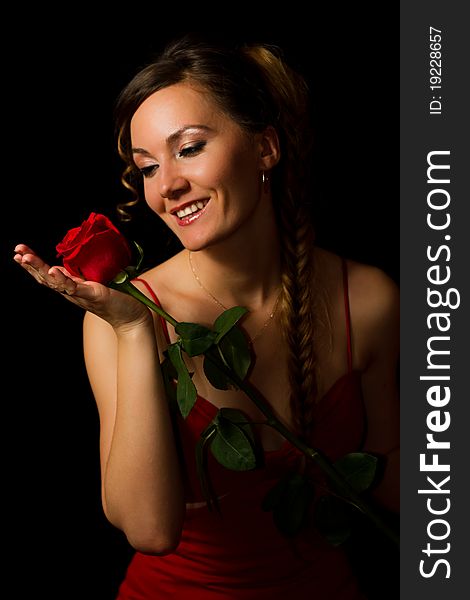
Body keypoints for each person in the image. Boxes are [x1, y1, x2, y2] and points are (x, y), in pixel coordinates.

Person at [14, 34, 399, 599]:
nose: (166, 185)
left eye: (189, 148)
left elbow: (394, 472)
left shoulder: (368, 299)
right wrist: (132, 331)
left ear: (265, 147)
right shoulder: (125, 315)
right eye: (146, 168)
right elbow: (149, 530)